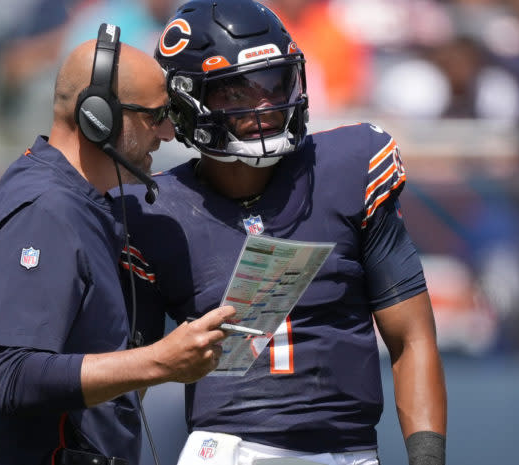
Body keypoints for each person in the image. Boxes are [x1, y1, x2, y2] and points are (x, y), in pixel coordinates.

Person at [115, 1, 447, 464]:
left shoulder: (348, 168)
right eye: (238, 91)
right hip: (229, 449)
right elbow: (125, 377)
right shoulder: (155, 212)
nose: (266, 105)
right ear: (186, 104)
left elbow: (412, 338)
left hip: (350, 453)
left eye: (275, 83)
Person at [0, 27, 236, 465]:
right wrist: (160, 361)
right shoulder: (47, 211)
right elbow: (14, 376)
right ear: (99, 117)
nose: (168, 133)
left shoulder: (78, 203)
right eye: (155, 116)